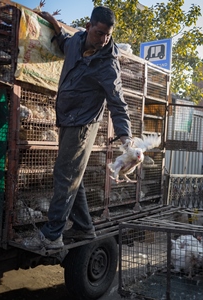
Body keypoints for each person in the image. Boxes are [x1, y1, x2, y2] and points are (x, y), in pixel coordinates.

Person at [24, 6, 132, 250]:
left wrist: (126, 139)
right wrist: (53, 22)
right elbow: (63, 43)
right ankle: (84, 227)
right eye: (99, 32)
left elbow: (118, 102)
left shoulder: (108, 64)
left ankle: (52, 235)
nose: (103, 39)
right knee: (73, 175)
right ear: (88, 27)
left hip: (83, 124)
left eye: (107, 34)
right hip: (66, 118)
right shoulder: (76, 42)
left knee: (64, 174)